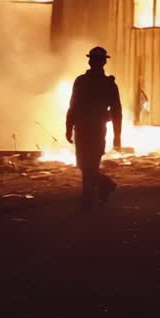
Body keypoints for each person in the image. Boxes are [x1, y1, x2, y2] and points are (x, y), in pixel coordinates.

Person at [65, 46, 123, 209]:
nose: (95, 62)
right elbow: (73, 106)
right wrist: (69, 127)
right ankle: (103, 187)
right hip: (87, 128)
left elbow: (116, 111)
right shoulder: (87, 82)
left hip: (91, 128)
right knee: (85, 165)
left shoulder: (102, 84)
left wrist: (117, 135)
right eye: (94, 59)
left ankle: (89, 199)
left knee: (88, 165)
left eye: (97, 60)